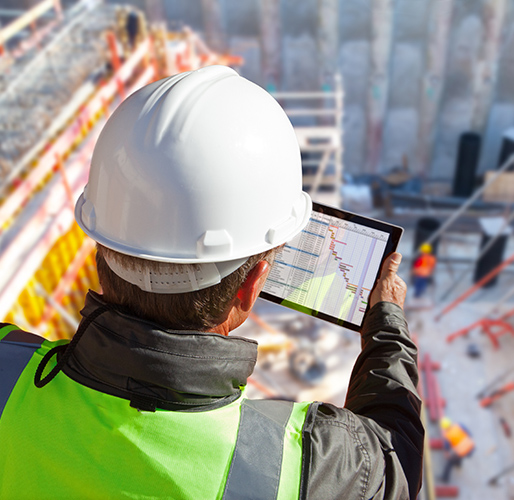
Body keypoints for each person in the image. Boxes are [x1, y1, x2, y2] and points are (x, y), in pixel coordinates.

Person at [0, 66, 423, 499]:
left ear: (100, 247)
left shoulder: (6, 369)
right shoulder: (305, 466)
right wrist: (386, 322)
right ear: (251, 282)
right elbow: (396, 457)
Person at [439, 417, 475, 483]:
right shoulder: (459, 425)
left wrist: (447, 454)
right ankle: (458, 465)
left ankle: (445, 478)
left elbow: (447, 447)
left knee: (450, 462)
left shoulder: (447, 435)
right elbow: (469, 433)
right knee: (458, 456)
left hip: (462, 450)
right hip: (470, 446)